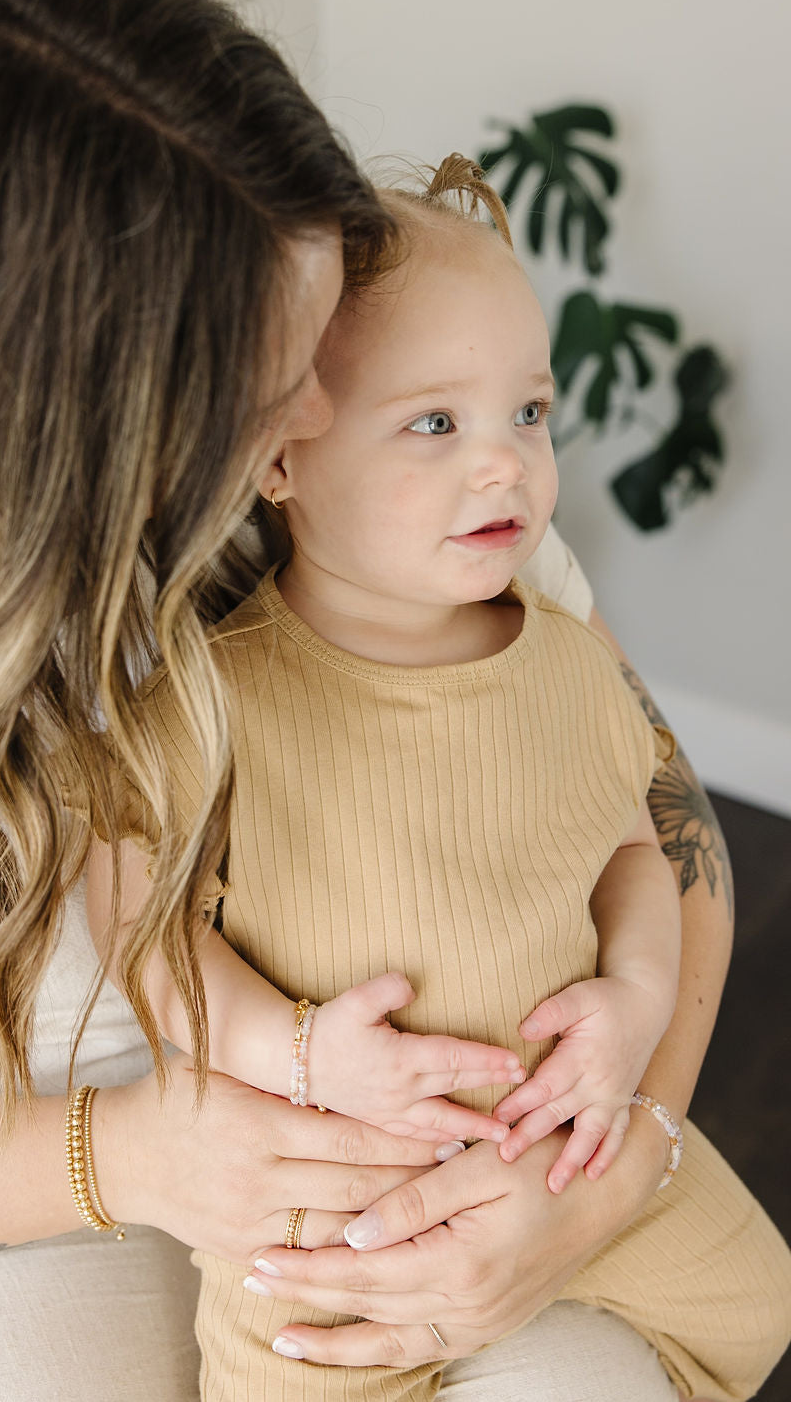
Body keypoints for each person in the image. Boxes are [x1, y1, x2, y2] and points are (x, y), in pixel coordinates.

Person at [0, 0, 768, 1402]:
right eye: (263, 370)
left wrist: (607, 1176)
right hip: (7, 1226)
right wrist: (129, 1155)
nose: (323, 395)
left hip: (436, 1231)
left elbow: (665, 843)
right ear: (79, 427)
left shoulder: (400, 503)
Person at [88, 159, 791, 1401]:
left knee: (759, 1293)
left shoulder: (566, 659)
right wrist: (288, 1048)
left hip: (561, 1152)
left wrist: (632, 997)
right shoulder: (218, 690)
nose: (505, 466)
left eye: (528, 412)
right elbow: (141, 927)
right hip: (330, 1225)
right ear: (276, 460)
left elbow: (636, 848)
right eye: (434, 422)